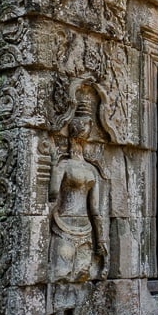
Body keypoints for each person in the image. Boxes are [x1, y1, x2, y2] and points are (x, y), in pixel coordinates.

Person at [48, 88, 108, 283]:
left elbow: (53, 194)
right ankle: (64, 314)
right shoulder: (90, 170)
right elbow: (96, 211)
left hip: (67, 223)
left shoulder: (63, 165)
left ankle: (61, 314)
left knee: (67, 274)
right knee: (74, 275)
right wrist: (102, 239)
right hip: (78, 226)